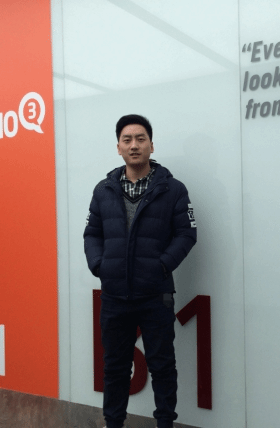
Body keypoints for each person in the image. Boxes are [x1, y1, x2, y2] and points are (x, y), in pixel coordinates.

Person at [84, 114, 197, 428]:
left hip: (155, 295)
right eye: (127, 140)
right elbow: (92, 233)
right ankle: (113, 423)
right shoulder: (103, 190)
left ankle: (164, 423)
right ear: (118, 147)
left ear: (151, 145)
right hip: (114, 296)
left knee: (162, 366)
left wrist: (161, 265)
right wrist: (99, 265)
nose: (134, 145)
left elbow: (187, 234)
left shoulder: (173, 189)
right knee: (115, 367)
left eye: (140, 138)